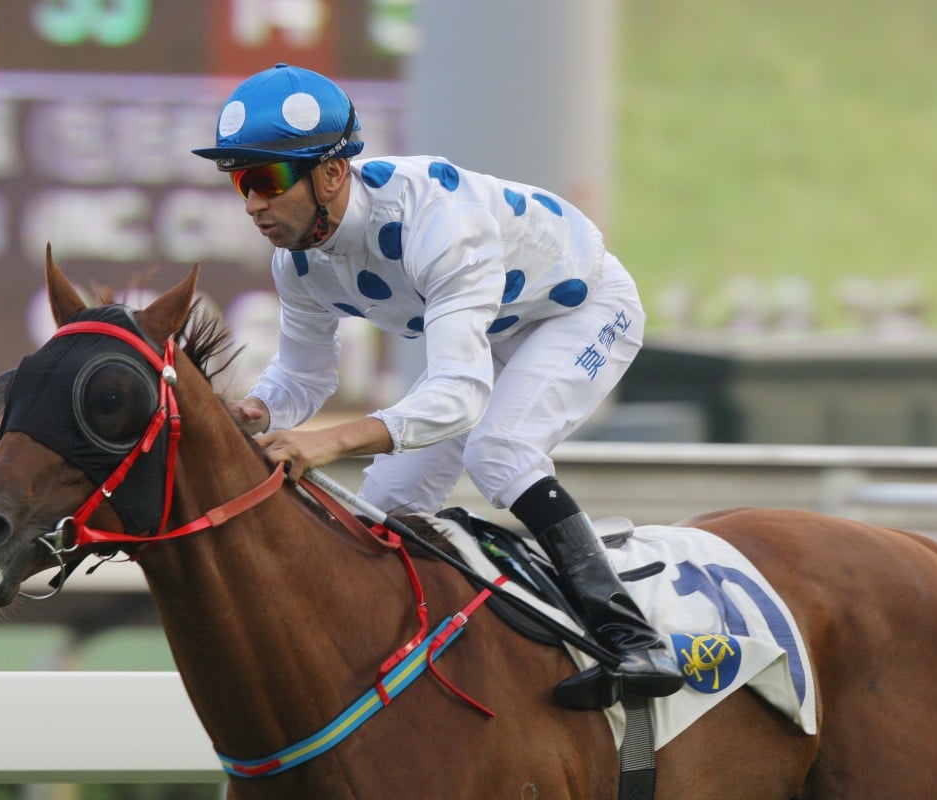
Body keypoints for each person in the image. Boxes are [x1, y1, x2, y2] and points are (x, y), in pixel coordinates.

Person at [193, 63, 683, 710]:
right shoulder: (297, 261)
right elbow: (304, 374)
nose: (252, 203)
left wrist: (328, 442)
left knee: (498, 451)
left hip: (583, 310)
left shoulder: (439, 223)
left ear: (332, 173)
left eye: (265, 180)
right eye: (239, 182)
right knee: (385, 506)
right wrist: (251, 412)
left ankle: (633, 637)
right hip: (500, 332)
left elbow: (458, 397)